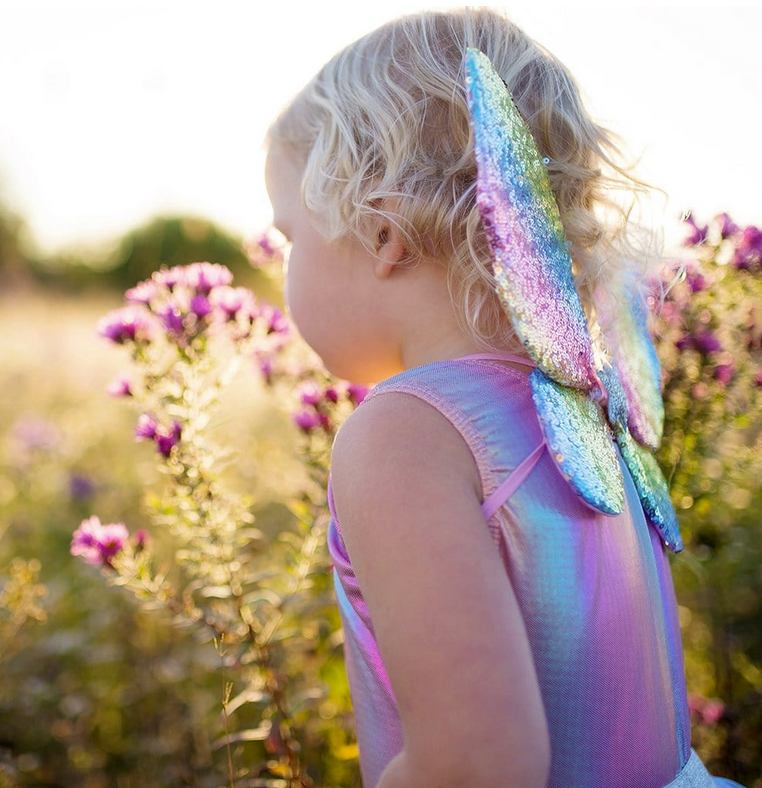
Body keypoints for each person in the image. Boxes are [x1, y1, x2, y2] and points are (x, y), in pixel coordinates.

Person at [263, 8, 746, 788]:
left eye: (289, 239)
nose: (282, 267)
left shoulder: (406, 434)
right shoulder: (583, 406)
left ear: (383, 234)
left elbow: (481, 766)